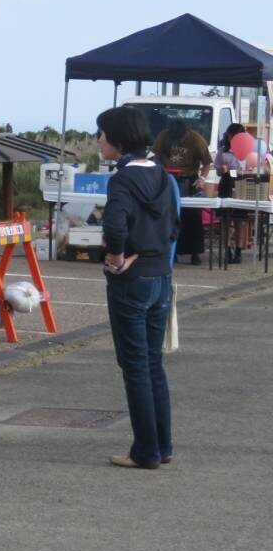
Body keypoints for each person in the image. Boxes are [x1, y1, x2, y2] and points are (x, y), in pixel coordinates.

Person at [95, 106, 179, 470]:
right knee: (152, 363)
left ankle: (144, 451)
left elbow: (114, 226)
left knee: (134, 366)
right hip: (160, 276)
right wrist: (145, 252)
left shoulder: (122, 179)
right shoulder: (161, 174)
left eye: (101, 134)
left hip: (131, 282)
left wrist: (117, 255)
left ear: (117, 139)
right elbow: (174, 225)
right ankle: (163, 444)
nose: (98, 141)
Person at [152, 119, 211, 265]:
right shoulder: (163, 137)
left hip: (189, 180)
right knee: (169, 215)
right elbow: (156, 156)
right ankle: (173, 251)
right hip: (169, 178)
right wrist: (160, 170)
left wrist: (202, 178)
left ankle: (195, 253)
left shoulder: (196, 140)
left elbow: (207, 163)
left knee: (192, 217)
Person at [215, 123, 251, 264]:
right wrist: (222, 170)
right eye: (231, 135)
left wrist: (243, 171)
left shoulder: (248, 151)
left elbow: (252, 169)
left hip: (241, 184)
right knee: (225, 219)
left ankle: (238, 250)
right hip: (226, 185)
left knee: (240, 221)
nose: (233, 138)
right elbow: (218, 169)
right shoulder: (223, 151)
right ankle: (227, 249)